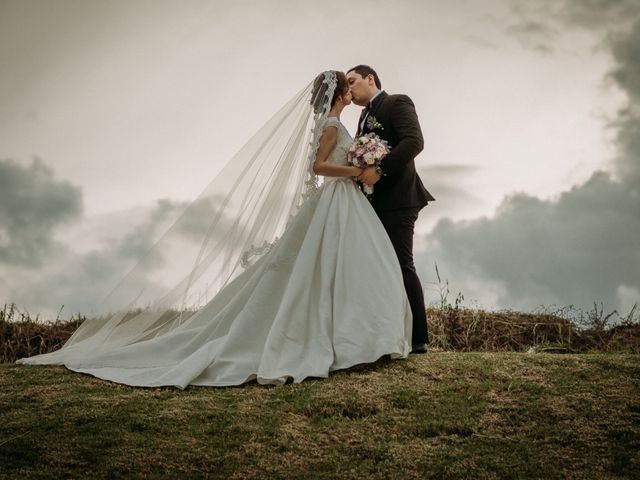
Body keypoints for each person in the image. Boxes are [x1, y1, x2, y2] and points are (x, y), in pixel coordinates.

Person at [17, 71, 413, 388]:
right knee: (331, 267)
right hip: (338, 195)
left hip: (344, 201)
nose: (351, 90)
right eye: (347, 86)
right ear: (339, 95)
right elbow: (319, 167)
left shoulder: (342, 122)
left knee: (350, 266)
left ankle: (361, 337)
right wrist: (357, 170)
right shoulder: (331, 125)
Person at [346, 65, 435, 354]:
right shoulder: (363, 116)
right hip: (374, 202)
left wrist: (380, 169)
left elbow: (414, 142)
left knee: (401, 264)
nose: (349, 89)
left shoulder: (397, 102)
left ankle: (419, 339)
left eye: (353, 81)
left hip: (399, 198)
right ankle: (389, 333)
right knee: (379, 268)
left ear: (370, 78)